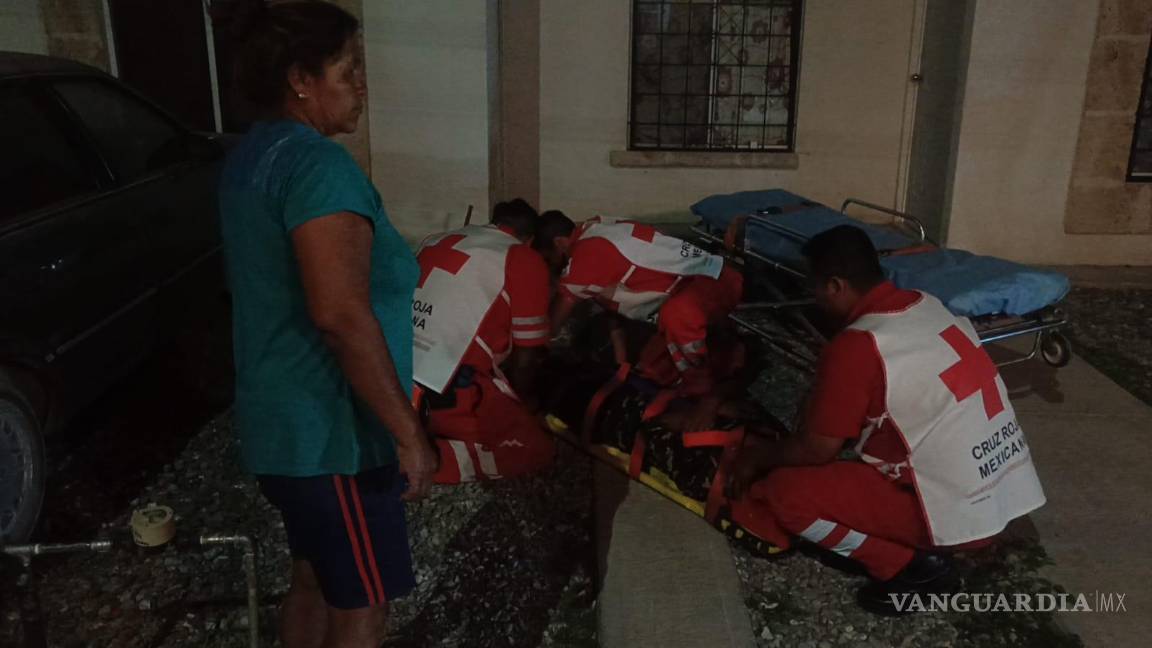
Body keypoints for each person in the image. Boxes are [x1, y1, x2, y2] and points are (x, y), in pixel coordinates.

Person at [214, 2, 437, 646]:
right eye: (348, 68)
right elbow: (340, 315)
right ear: (300, 80)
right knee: (362, 604)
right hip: (335, 438)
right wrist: (408, 433)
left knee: (313, 579)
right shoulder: (319, 168)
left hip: (281, 428)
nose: (362, 84)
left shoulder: (254, 155)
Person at [729, 225, 1046, 615]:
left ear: (835, 285)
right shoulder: (926, 304)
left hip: (953, 512)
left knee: (785, 493)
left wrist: (756, 458)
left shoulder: (858, 345)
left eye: (814, 287)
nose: (813, 298)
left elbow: (817, 450)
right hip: (1001, 492)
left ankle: (912, 569)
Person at [537, 212, 745, 430]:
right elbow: (612, 303)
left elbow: (556, 317)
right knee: (652, 371)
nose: (552, 266)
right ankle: (719, 361)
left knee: (677, 318)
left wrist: (534, 352)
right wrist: (621, 362)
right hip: (699, 282)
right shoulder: (598, 228)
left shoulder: (588, 254)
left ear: (560, 243)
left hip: (714, 282)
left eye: (549, 259)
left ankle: (703, 393)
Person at [412, 199, 555, 483]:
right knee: (533, 449)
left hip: (391, 368)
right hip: (446, 386)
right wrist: (522, 403)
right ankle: (414, 460)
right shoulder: (522, 258)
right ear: (530, 239)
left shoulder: (437, 239)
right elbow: (526, 357)